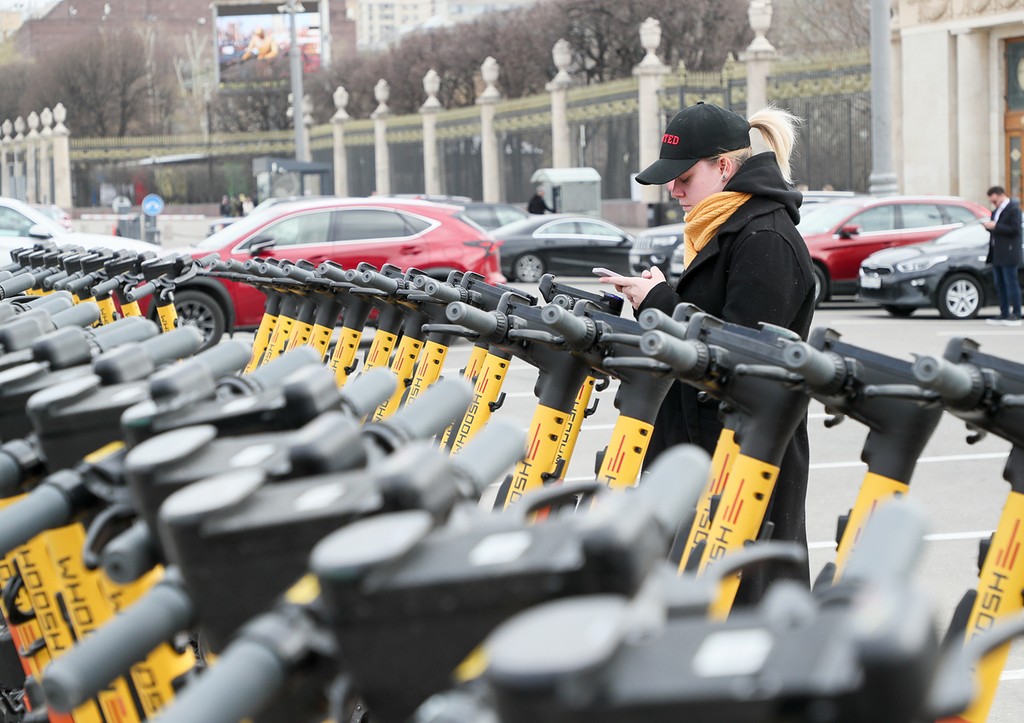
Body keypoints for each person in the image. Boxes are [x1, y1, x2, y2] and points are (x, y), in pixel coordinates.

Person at [598, 101, 816, 601]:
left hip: (744, 455)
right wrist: (658, 303)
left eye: (684, 177)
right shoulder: (724, 225)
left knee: (747, 616)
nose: (673, 190)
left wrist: (661, 302)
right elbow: (708, 324)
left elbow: (741, 354)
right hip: (707, 449)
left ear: (724, 167)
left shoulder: (765, 237)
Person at [982, 185, 1023, 326]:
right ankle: (1004, 312)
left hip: (1010, 253)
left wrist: (996, 226)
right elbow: (997, 231)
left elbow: (1015, 230)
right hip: (997, 253)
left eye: (994, 201)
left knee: (1011, 282)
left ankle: (1017, 313)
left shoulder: (1013, 209)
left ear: (1000, 195)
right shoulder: (996, 212)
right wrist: (989, 228)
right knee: (1000, 284)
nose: (993, 204)